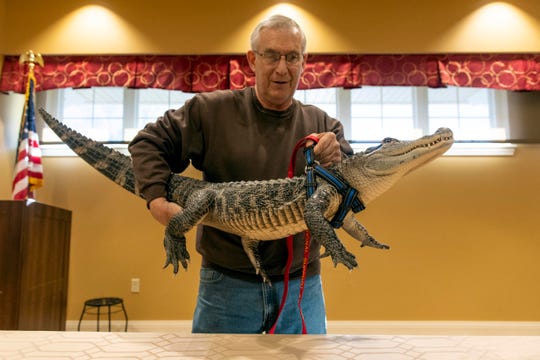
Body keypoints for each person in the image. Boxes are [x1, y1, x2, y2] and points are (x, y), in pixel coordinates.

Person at [128, 14, 353, 334]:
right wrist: (156, 201)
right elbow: (148, 144)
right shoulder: (209, 111)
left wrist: (336, 159)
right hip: (226, 285)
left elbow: (349, 184)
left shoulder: (324, 125)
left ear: (304, 62)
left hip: (302, 286)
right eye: (271, 55)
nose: (282, 68)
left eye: (292, 57)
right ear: (252, 59)